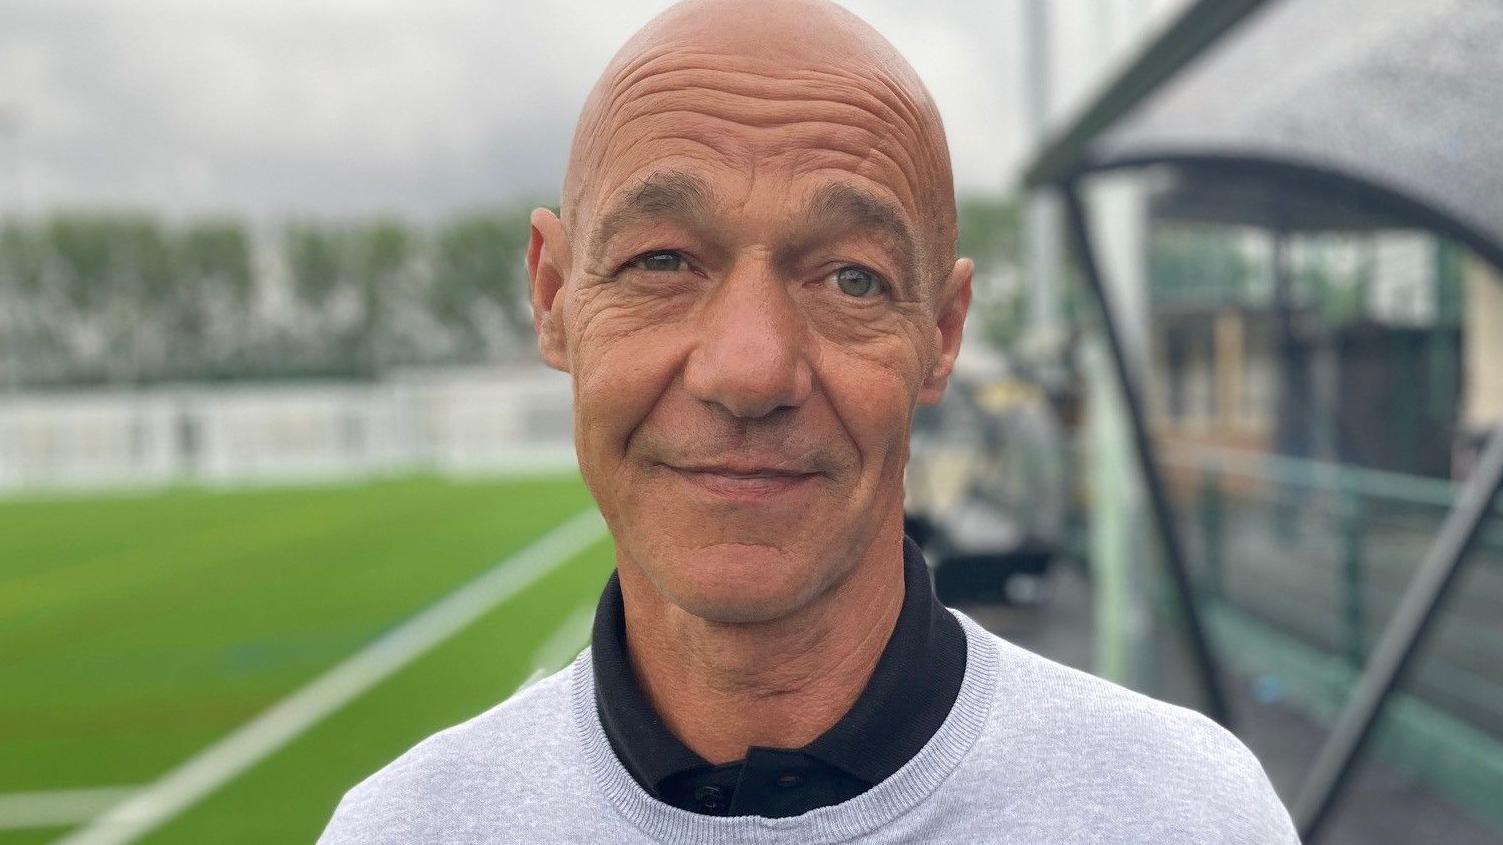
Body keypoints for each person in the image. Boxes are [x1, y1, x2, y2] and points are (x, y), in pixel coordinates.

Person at [319, 0, 1299, 841]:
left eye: (850, 278)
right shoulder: (404, 828)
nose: (749, 371)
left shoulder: (1184, 814)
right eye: (662, 261)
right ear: (554, 297)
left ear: (941, 334)